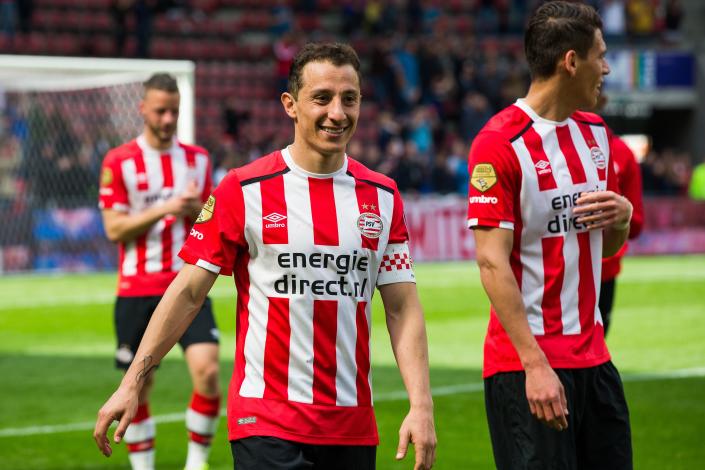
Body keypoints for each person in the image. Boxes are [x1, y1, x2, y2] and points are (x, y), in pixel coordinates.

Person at [94, 43, 437, 470]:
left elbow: (403, 308)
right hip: (266, 424)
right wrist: (132, 383)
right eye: (322, 98)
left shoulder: (383, 197)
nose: (337, 112)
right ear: (290, 105)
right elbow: (187, 292)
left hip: (351, 425)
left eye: (349, 99)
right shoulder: (243, 190)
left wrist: (421, 406)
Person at [466, 2, 634, 469]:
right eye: (600, 55)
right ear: (571, 62)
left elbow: (606, 250)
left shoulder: (597, 135)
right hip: (528, 365)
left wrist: (620, 220)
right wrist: (534, 364)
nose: (606, 67)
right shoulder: (499, 143)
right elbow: (491, 262)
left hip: (595, 361)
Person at [97, 72, 221, 470]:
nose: (168, 119)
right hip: (137, 288)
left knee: (208, 371)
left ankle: (196, 464)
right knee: (140, 386)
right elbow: (114, 229)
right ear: (143, 110)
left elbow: (210, 219)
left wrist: (196, 210)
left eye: (174, 112)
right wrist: (166, 208)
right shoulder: (119, 161)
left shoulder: (198, 159)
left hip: (188, 283)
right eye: (161, 111)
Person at [600, 131, 644, 336]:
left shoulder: (621, 151)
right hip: (553, 269)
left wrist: (623, 215)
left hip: (602, 267)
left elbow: (635, 224)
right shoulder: (620, 150)